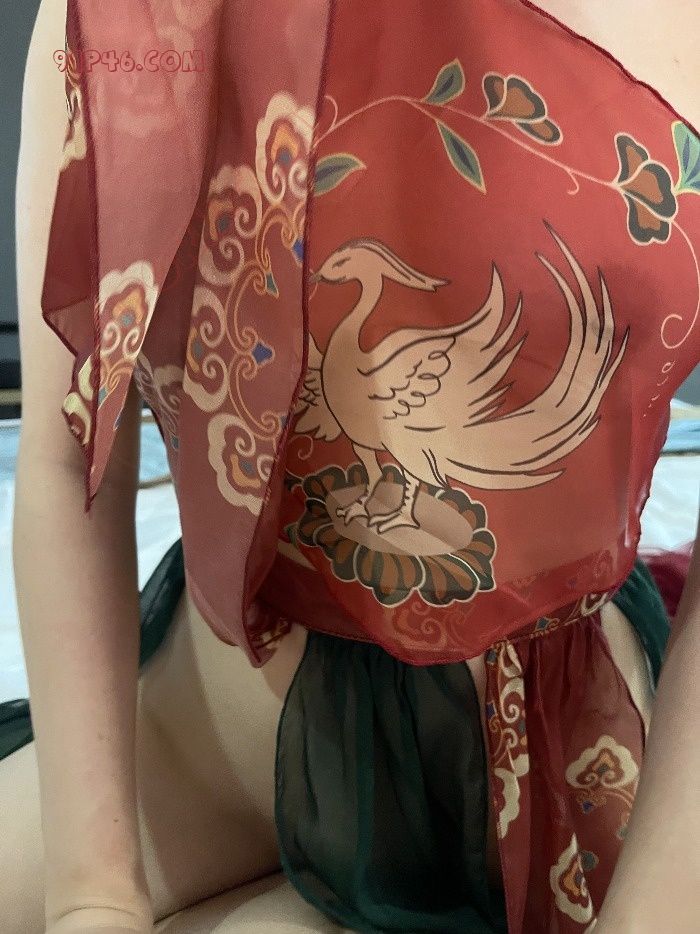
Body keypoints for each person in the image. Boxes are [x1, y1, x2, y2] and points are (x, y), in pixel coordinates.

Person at [4, 0, 700, 931]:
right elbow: (67, 458)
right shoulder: (130, 24)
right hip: (211, 730)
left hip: (528, 764)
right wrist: (92, 898)